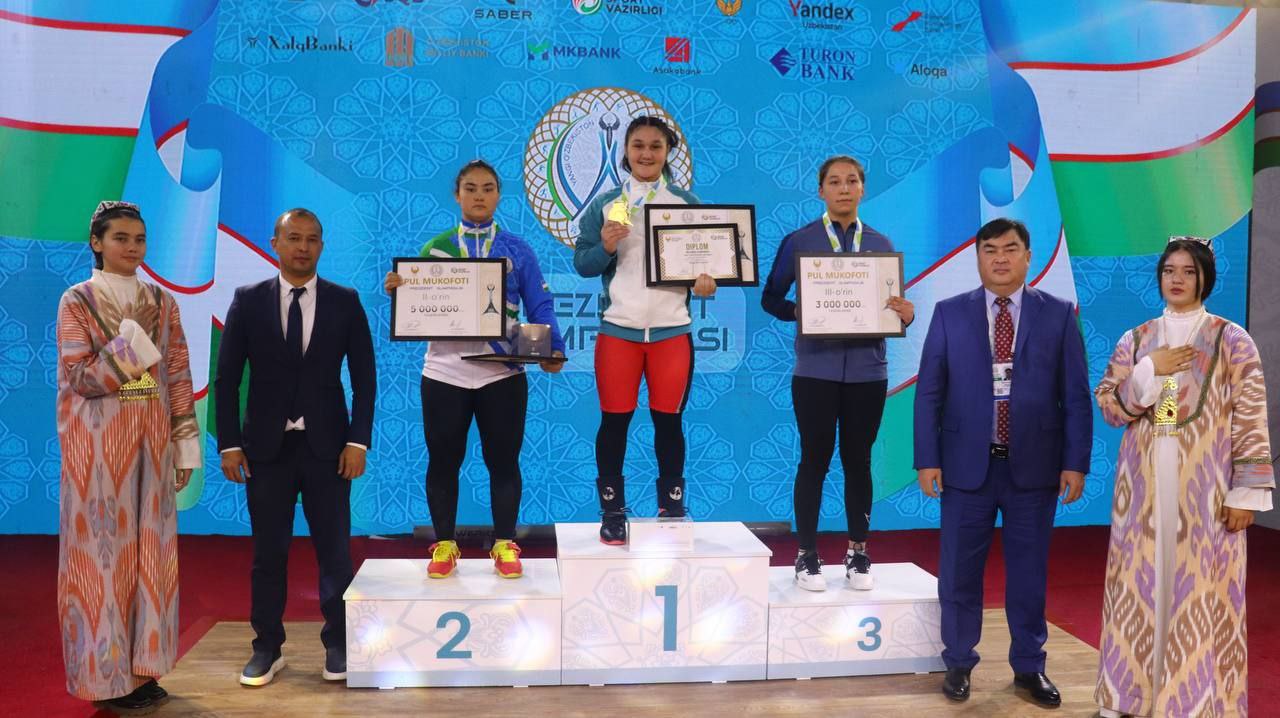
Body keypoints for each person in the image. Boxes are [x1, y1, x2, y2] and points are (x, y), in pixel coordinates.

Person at [913, 217, 1092, 707]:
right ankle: (958, 661)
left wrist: (1075, 462)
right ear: (977, 257)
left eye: (1010, 249)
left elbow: (1076, 395)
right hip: (965, 467)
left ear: (1028, 256)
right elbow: (929, 393)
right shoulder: (949, 313)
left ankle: (1030, 666)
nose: (1000, 258)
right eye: (989, 249)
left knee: (1029, 574)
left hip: (1034, 468)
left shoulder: (1058, 314)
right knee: (958, 572)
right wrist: (927, 458)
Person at [1093, 237, 1272, 718]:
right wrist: (1148, 370)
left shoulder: (1231, 339)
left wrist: (1246, 493)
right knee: (1138, 583)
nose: (1177, 279)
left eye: (1188, 271)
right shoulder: (1136, 339)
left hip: (1205, 483)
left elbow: (1250, 415)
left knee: (1198, 586)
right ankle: (1128, 695)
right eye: (1169, 270)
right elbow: (1110, 408)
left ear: (1204, 278)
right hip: (1144, 482)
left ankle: (1195, 699)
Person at [215, 208, 376, 687]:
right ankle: (267, 647)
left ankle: (338, 644)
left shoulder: (345, 301)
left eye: (311, 239)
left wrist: (358, 442)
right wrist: (229, 444)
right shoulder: (247, 300)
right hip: (266, 451)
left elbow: (365, 380)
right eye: (293, 238)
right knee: (269, 555)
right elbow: (226, 381)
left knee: (335, 554)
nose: (303, 247)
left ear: (321, 246)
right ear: (276, 243)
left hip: (329, 449)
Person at [383, 159, 565, 580]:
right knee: (443, 461)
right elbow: (416, 306)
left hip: (502, 371)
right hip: (444, 372)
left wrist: (553, 347)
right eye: (470, 188)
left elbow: (540, 304)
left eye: (487, 188)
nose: (479, 196)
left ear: (499, 195)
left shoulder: (518, 249)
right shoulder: (436, 249)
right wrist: (400, 292)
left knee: (504, 462)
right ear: (457, 195)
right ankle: (445, 544)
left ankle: (505, 543)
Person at [56, 201, 201, 714]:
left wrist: (185, 444)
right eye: (120, 238)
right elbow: (82, 377)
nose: (132, 247)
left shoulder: (162, 300)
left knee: (151, 560)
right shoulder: (76, 300)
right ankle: (104, 680)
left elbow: (177, 374)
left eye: (139, 238)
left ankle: (142, 673)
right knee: (101, 562)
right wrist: (134, 342)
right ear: (96, 242)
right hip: (96, 446)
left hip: (153, 441)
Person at [761, 155, 914, 592]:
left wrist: (906, 314)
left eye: (851, 181)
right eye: (834, 182)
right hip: (815, 371)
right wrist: (800, 312)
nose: (843, 188)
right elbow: (771, 298)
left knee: (859, 461)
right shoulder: (800, 241)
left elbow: (892, 311)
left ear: (862, 188)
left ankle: (858, 552)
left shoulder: (881, 244)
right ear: (821, 191)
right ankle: (806, 554)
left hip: (868, 372)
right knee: (814, 460)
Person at [574, 115, 716, 545]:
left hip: (672, 332)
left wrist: (707, 282)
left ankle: (671, 508)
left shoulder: (687, 203)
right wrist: (606, 246)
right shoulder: (606, 204)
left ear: (668, 152)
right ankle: (612, 512)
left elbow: (707, 263)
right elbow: (583, 264)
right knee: (614, 423)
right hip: (619, 331)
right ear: (625, 150)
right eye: (638, 145)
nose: (647, 153)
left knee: (668, 423)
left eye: (656, 146)